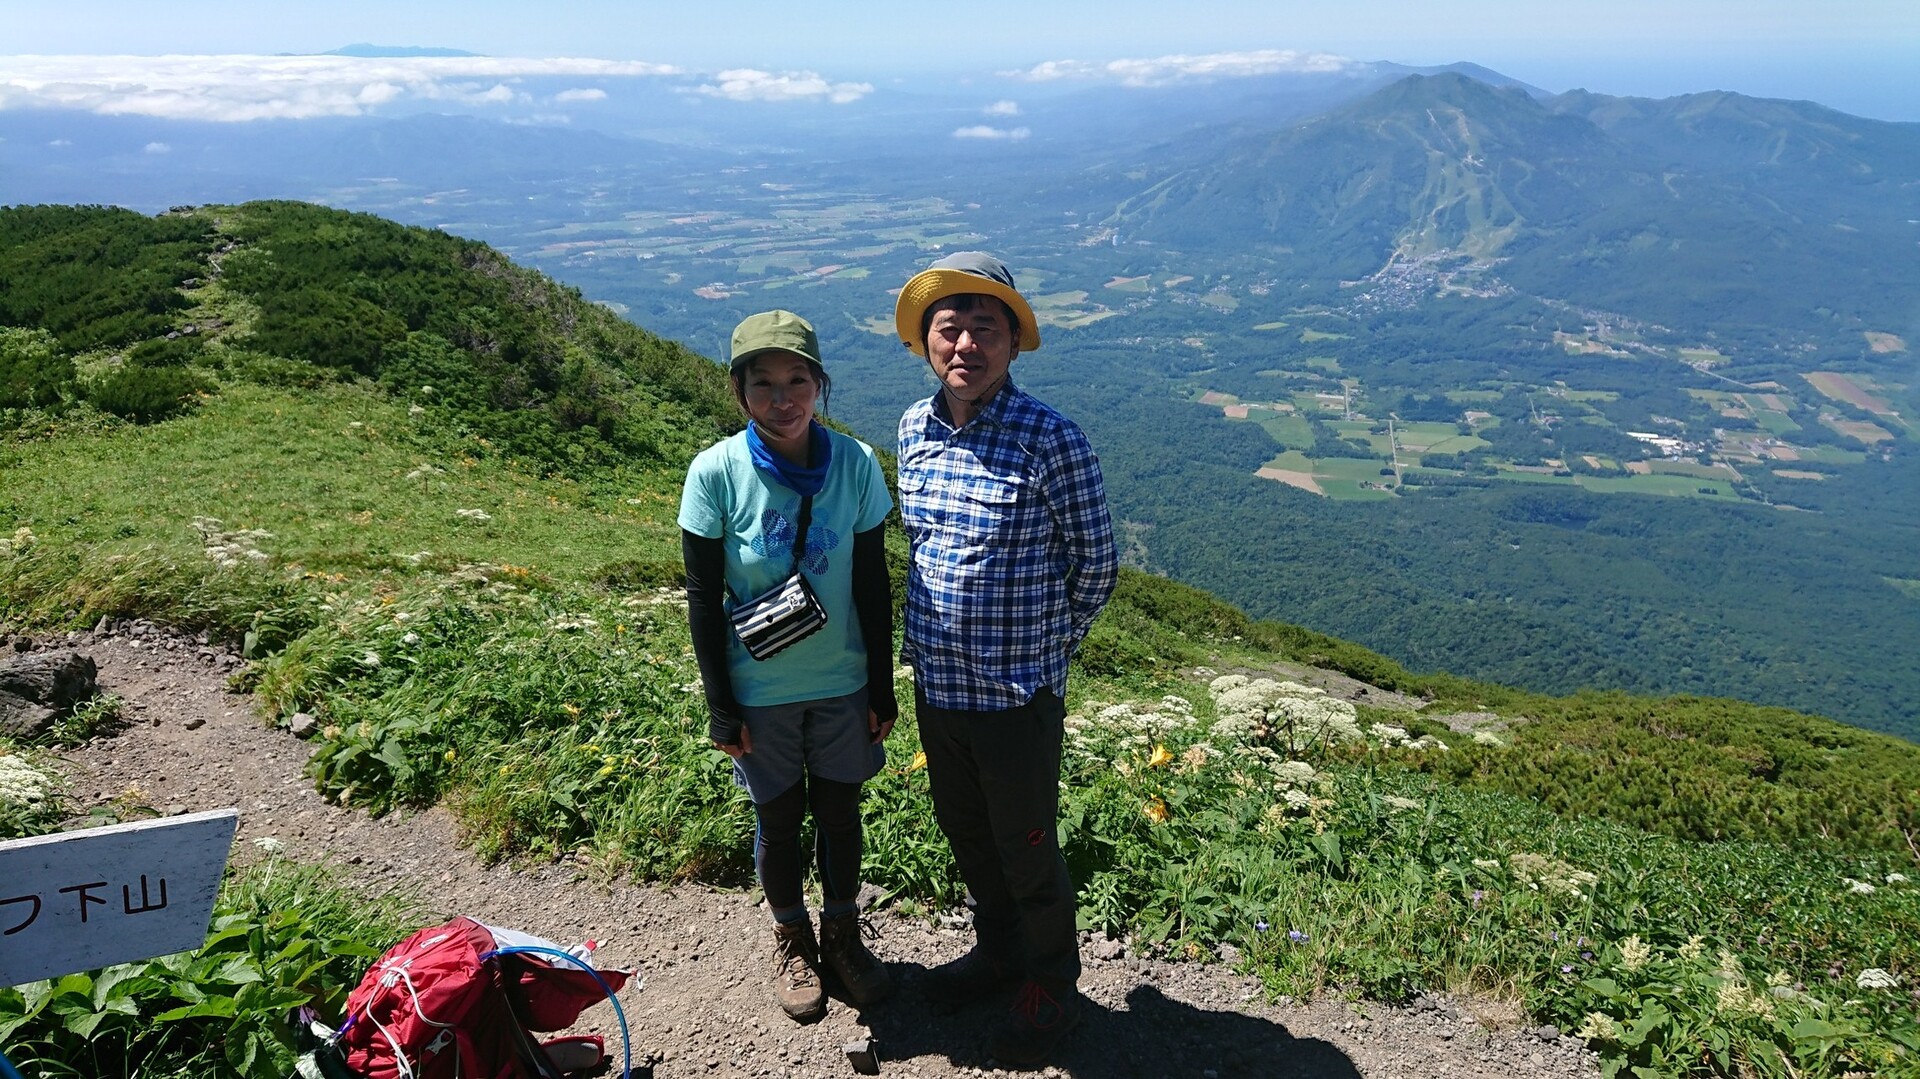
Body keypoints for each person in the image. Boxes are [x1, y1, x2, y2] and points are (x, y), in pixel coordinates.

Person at [893, 252, 1119, 1065]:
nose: (964, 346)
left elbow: (1095, 565)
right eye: (947, 329)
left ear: (1012, 344)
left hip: (1018, 697)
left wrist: (1048, 651)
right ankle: (999, 954)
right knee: (968, 837)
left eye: (983, 330)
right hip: (940, 689)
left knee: (1027, 845)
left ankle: (1052, 984)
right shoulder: (913, 429)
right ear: (927, 344)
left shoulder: (1052, 438)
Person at [679, 309, 898, 1021]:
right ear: (739, 391)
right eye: (763, 382)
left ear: (820, 383)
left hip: (842, 682)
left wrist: (882, 687)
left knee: (840, 813)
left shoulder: (857, 465)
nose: (783, 398)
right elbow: (705, 600)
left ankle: (841, 934)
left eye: (798, 379)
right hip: (760, 691)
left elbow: (872, 583)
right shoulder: (714, 472)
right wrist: (721, 706)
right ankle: (791, 938)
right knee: (779, 821)